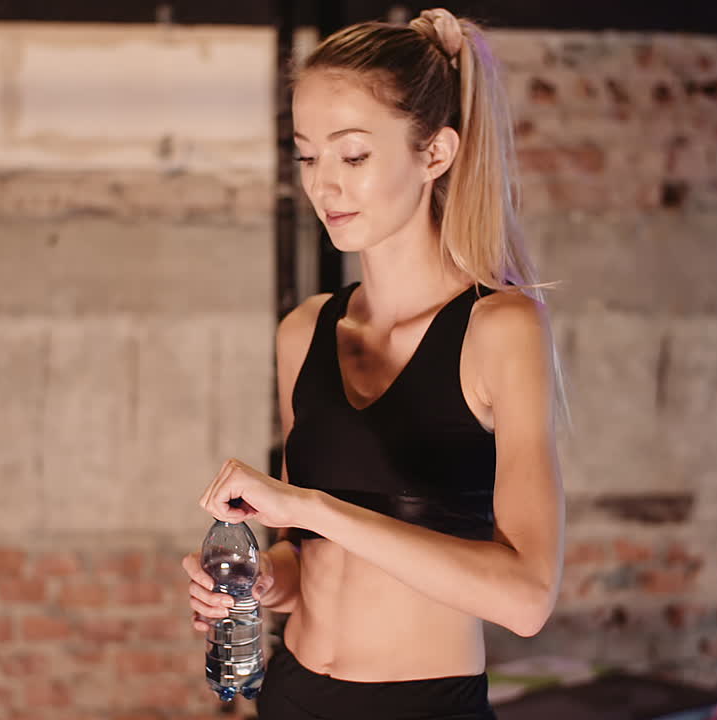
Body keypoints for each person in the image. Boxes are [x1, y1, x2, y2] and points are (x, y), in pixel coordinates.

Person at [181, 8, 567, 719]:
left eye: (352, 155)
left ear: (435, 154)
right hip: (292, 692)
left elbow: (526, 597)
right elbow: (310, 562)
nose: (324, 185)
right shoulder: (304, 330)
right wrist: (265, 578)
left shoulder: (500, 328)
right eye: (306, 155)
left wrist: (310, 506)